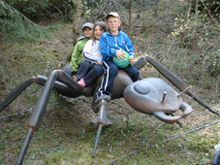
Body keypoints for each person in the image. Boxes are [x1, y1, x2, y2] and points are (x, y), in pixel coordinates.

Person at [96, 12, 140, 103]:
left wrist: (131, 56)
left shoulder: (124, 36)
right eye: (110, 22)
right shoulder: (104, 36)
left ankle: (136, 91)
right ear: (107, 24)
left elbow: (129, 50)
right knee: (112, 69)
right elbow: (103, 50)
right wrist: (114, 52)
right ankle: (103, 93)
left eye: (115, 21)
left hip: (123, 61)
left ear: (119, 23)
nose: (113, 24)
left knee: (135, 73)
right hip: (109, 59)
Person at [76, 21, 107, 87]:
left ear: (104, 31)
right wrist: (96, 60)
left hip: (98, 64)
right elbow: (85, 54)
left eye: (100, 30)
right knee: (84, 63)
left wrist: (101, 62)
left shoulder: (106, 43)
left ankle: (85, 81)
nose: (98, 32)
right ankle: (77, 78)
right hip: (88, 61)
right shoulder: (90, 42)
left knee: (98, 69)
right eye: (95, 30)